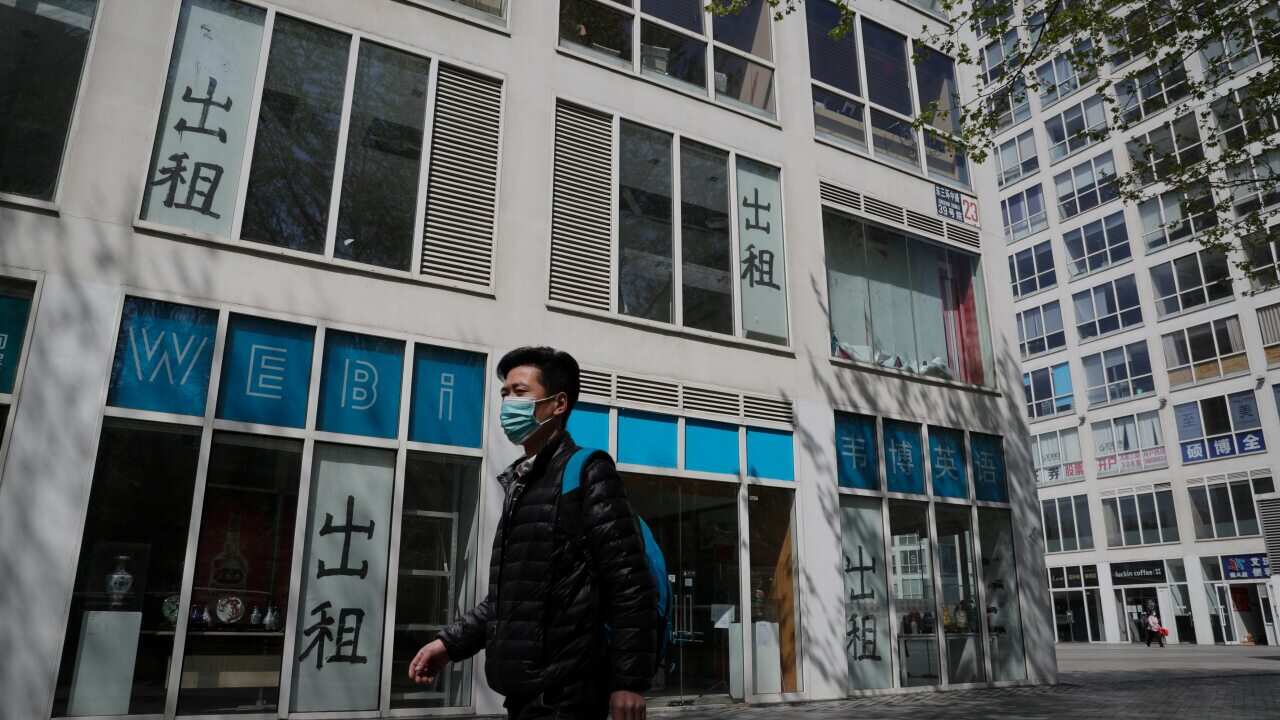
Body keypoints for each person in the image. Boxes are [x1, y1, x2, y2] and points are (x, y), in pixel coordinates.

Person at [408, 346, 655, 720]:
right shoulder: (521, 482)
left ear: (558, 404)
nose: (508, 402)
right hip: (523, 694)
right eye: (505, 393)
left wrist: (629, 681)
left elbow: (630, 585)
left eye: (520, 392)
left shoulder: (586, 472)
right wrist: (449, 643)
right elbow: (511, 598)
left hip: (569, 694)